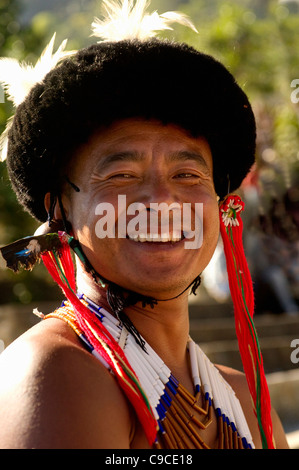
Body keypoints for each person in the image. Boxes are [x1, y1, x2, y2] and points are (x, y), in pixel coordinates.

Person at [0, 0, 289, 449]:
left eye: (188, 175)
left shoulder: (241, 395)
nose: (160, 201)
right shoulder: (58, 371)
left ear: (221, 205)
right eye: (122, 175)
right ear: (59, 210)